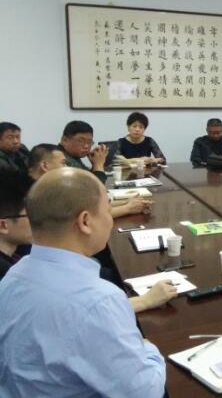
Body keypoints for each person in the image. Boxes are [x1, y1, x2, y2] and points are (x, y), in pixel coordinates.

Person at [0, 168, 167, 396]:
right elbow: (146, 392)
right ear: (85, 221)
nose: (110, 219)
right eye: (107, 210)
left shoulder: (14, 275)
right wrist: (147, 348)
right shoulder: (99, 300)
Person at [28, 143, 153, 218]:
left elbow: (87, 204)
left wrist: (126, 202)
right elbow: (90, 216)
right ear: (45, 165)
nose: (66, 167)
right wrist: (128, 208)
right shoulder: (41, 192)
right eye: (63, 163)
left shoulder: (46, 184)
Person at [0, 172, 33, 280]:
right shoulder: (8, 277)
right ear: (3, 225)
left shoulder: (16, 260)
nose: (40, 220)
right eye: (32, 215)